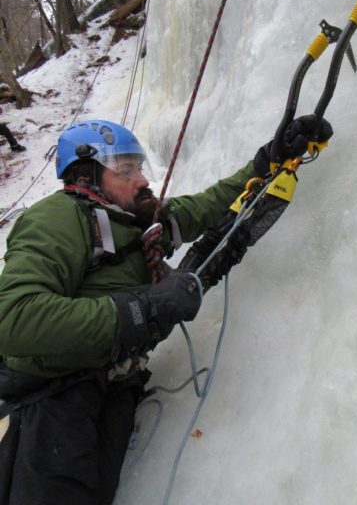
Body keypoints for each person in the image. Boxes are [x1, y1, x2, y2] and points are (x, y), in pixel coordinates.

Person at [0, 116, 332, 504]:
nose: (142, 179)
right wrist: (145, 308)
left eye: (139, 167)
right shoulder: (57, 217)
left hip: (108, 391)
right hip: (51, 400)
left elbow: (206, 206)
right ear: (86, 175)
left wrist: (266, 161)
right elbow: (14, 317)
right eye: (126, 169)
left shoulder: (134, 223)